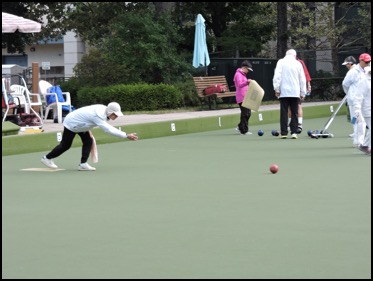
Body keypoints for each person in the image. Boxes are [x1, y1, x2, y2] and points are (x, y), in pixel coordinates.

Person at [41, 102, 138, 171]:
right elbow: (108, 129)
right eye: (115, 114)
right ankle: (46, 158)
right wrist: (126, 135)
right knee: (65, 145)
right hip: (72, 123)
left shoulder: (104, 110)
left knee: (88, 141)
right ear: (109, 112)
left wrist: (86, 126)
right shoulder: (98, 115)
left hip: (82, 124)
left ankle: (83, 164)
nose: (116, 117)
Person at [273, 49, 306, 139]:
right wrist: (303, 92)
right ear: (295, 56)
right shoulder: (298, 63)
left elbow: (277, 76)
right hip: (295, 92)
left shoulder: (281, 62)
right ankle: (294, 132)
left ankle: (284, 132)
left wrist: (277, 89)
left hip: (283, 92)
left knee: (284, 112)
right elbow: (302, 79)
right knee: (294, 112)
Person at [342, 53, 370, 147]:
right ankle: (358, 142)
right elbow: (345, 84)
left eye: (369, 61)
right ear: (361, 61)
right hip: (354, 100)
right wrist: (350, 94)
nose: (367, 63)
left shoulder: (367, 70)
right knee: (358, 120)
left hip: (365, 100)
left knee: (360, 121)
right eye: (366, 62)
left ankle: (358, 139)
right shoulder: (353, 71)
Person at [287, 55, 312, 133]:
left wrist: (308, 85)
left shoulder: (300, 62)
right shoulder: (287, 63)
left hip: (297, 88)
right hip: (290, 88)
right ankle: (291, 124)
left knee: (298, 105)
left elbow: (306, 74)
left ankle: (299, 124)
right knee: (290, 106)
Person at [353, 66, 371, 155]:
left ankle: (364, 145)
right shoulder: (364, 82)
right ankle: (365, 146)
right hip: (367, 109)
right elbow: (358, 97)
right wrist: (357, 111)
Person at [234, 60, 254, 135]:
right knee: (245, 113)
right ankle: (244, 130)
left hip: (246, 97)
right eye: (248, 70)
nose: (248, 71)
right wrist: (247, 82)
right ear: (244, 68)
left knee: (248, 113)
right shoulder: (238, 74)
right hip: (241, 97)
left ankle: (240, 126)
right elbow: (239, 85)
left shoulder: (243, 74)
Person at [341, 55, 357, 137]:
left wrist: (347, 93)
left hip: (353, 98)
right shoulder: (360, 70)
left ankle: (356, 132)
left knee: (354, 116)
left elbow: (345, 84)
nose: (346, 66)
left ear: (350, 64)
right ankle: (357, 131)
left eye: (347, 64)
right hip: (360, 97)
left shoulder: (351, 72)